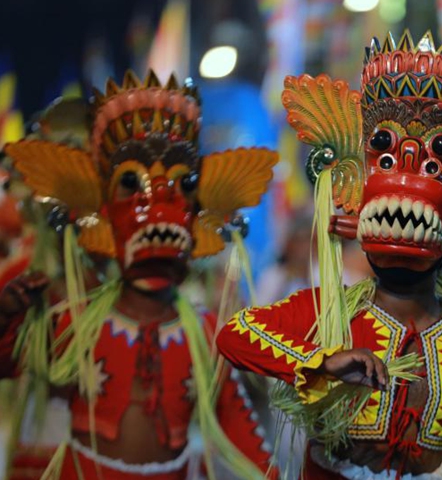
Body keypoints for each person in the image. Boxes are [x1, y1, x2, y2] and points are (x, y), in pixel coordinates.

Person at [216, 30, 442, 479]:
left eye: (435, 163)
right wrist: (321, 364)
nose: (406, 185)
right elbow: (235, 334)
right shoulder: (332, 315)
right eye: (385, 160)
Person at [0, 70, 279, 479]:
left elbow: (243, 434)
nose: (161, 199)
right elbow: (10, 364)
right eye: (131, 182)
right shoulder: (77, 323)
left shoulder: (203, 334)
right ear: (98, 210)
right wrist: (6, 315)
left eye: (183, 184)